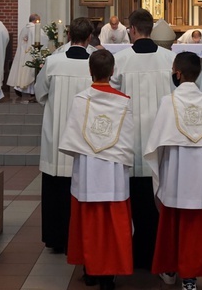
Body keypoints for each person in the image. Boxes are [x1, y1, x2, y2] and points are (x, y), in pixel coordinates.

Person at [144, 52, 202, 290]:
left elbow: (155, 145)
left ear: (178, 73)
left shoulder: (168, 102)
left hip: (175, 175)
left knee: (173, 225)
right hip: (201, 177)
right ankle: (190, 278)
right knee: (195, 230)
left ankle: (171, 269)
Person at [59, 50, 134, 290]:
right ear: (113, 72)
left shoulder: (81, 99)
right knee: (112, 224)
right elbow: (127, 139)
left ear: (90, 71)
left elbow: (72, 137)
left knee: (89, 221)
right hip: (112, 173)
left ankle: (90, 269)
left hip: (89, 171)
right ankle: (107, 275)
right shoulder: (124, 101)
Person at [110, 8, 176, 269]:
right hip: (161, 143)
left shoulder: (121, 60)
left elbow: (111, 100)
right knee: (160, 200)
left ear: (134, 30)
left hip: (130, 144)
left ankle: (133, 255)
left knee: (133, 200)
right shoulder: (169, 60)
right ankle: (158, 257)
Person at [34, 17, 94, 254]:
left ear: (69, 35)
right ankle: (80, 238)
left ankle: (56, 238)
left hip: (57, 136)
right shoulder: (95, 63)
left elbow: (40, 94)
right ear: (90, 37)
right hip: (85, 138)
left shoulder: (53, 62)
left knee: (55, 188)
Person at [7, 13, 45, 101]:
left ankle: (20, 88)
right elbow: (43, 39)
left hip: (23, 55)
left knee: (23, 71)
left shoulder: (24, 29)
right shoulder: (36, 29)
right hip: (32, 54)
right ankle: (31, 91)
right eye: (39, 20)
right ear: (36, 21)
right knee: (31, 72)